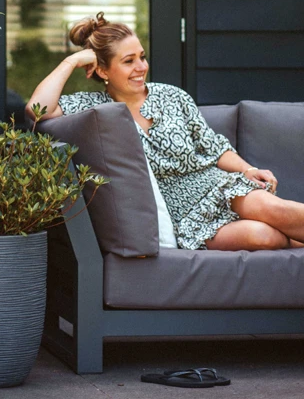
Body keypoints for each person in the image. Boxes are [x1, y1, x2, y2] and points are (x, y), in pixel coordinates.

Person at [26, 13, 304, 252]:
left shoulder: (172, 95)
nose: (141, 67)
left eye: (142, 57)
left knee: (276, 210)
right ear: (103, 70)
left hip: (216, 185)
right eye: (128, 61)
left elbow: (213, 148)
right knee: (263, 237)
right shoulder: (95, 108)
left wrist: (247, 169)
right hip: (183, 217)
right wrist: (72, 61)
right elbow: (37, 110)